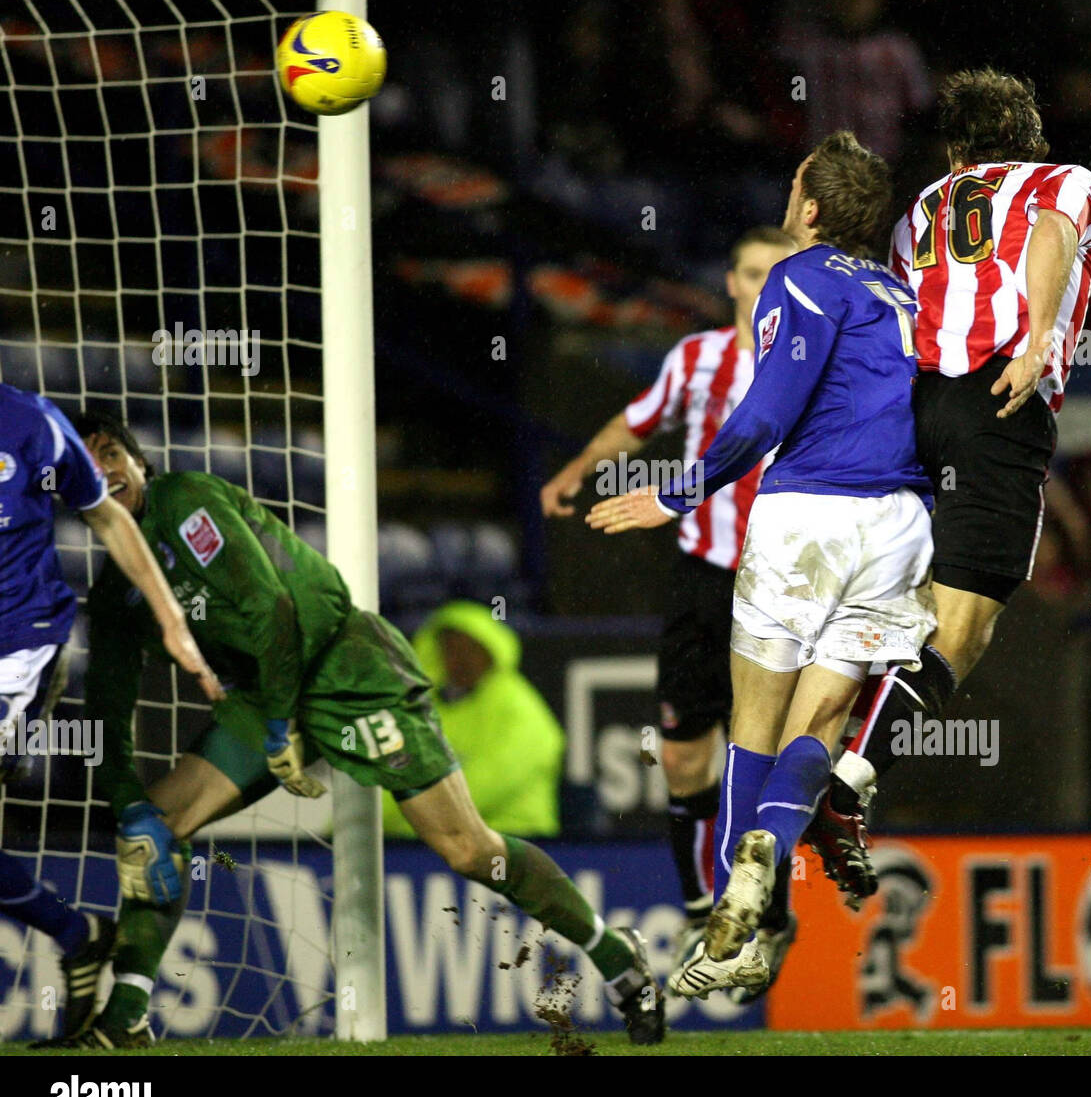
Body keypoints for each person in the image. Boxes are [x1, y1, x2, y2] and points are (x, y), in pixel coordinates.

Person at [51, 413, 663, 1048]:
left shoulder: (186, 503)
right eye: (88, 460)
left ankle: (613, 951)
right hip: (267, 694)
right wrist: (127, 806)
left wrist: (283, 723)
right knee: (156, 828)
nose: (107, 467)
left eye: (114, 451)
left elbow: (275, 608)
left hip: (344, 665)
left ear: (141, 463)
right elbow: (107, 706)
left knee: (466, 850)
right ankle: (127, 1016)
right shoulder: (116, 591)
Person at [587, 131, 935, 996]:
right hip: (900, 520)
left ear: (810, 209)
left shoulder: (799, 275)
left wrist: (680, 491)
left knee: (754, 718)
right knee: (819, 724)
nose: (787, 194)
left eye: (794, 185)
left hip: (809, 512)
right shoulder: (898, 292)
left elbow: (764, 415)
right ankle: (768, 857)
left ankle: (731, 926)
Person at [813, 68, 1091, 898]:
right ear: (1032, 137)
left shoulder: (922, 209)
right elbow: (1053, 231)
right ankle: (848, 779)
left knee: (894, 611)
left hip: (915, 404)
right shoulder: (1069, 182)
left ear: (955, 147)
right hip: (996, 400)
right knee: (966, 624)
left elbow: (898, 309)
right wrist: (1039, 337)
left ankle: (811, 752)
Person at [542, 226, 800, 997]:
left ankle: (765, 920)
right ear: (729, 280)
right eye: (751, 273)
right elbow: (641, 418)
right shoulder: (697, 358)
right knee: (686, 757)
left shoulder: (816, 356)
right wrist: (579, 468)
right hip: (701, 580)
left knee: (764, 759)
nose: (762, 287)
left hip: (785, 580)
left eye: (776, 274)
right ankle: (701, 914)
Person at [0, 385, 220, 1040]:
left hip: (19, 643)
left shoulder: (32, 421)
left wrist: (172, 619)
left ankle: (80, 935)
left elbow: (107, 515)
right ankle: (79, 933)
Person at [381, 601, 564, 839]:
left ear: (491, 651)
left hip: (514, 845)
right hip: (422, 846)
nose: (462, 660)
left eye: (472, 649)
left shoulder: (521, 709)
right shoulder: (418, 708)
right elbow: (387, 779)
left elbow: (480, 789)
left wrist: (400, 813)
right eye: (452, 649)